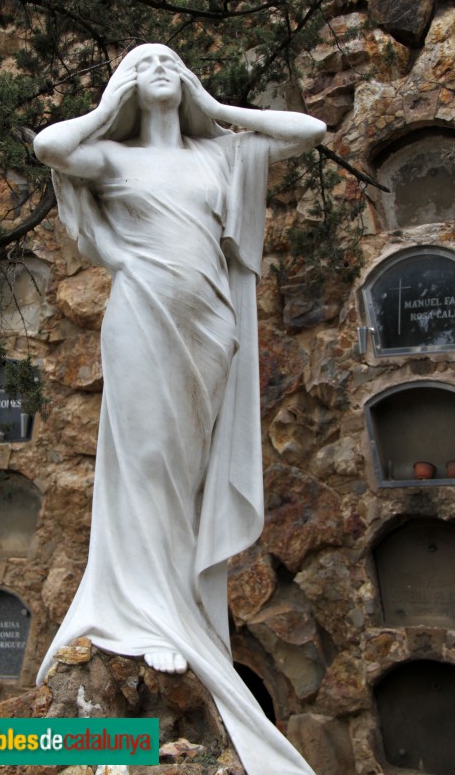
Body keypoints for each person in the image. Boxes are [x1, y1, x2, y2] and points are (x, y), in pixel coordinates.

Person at [34, 43, 325, 774]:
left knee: (186, 475)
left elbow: (309, 131)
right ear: (126, 85)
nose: (158, 66)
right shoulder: (113, 158)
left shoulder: (219, 154)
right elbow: (51, 147)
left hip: (208, 329)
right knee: (147, 464)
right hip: (141, 315)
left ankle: (176, 610)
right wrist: (110, 105)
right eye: (143, 63)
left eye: (169, 60)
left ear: (187, 78)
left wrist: (214, 106)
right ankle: (147, 615)